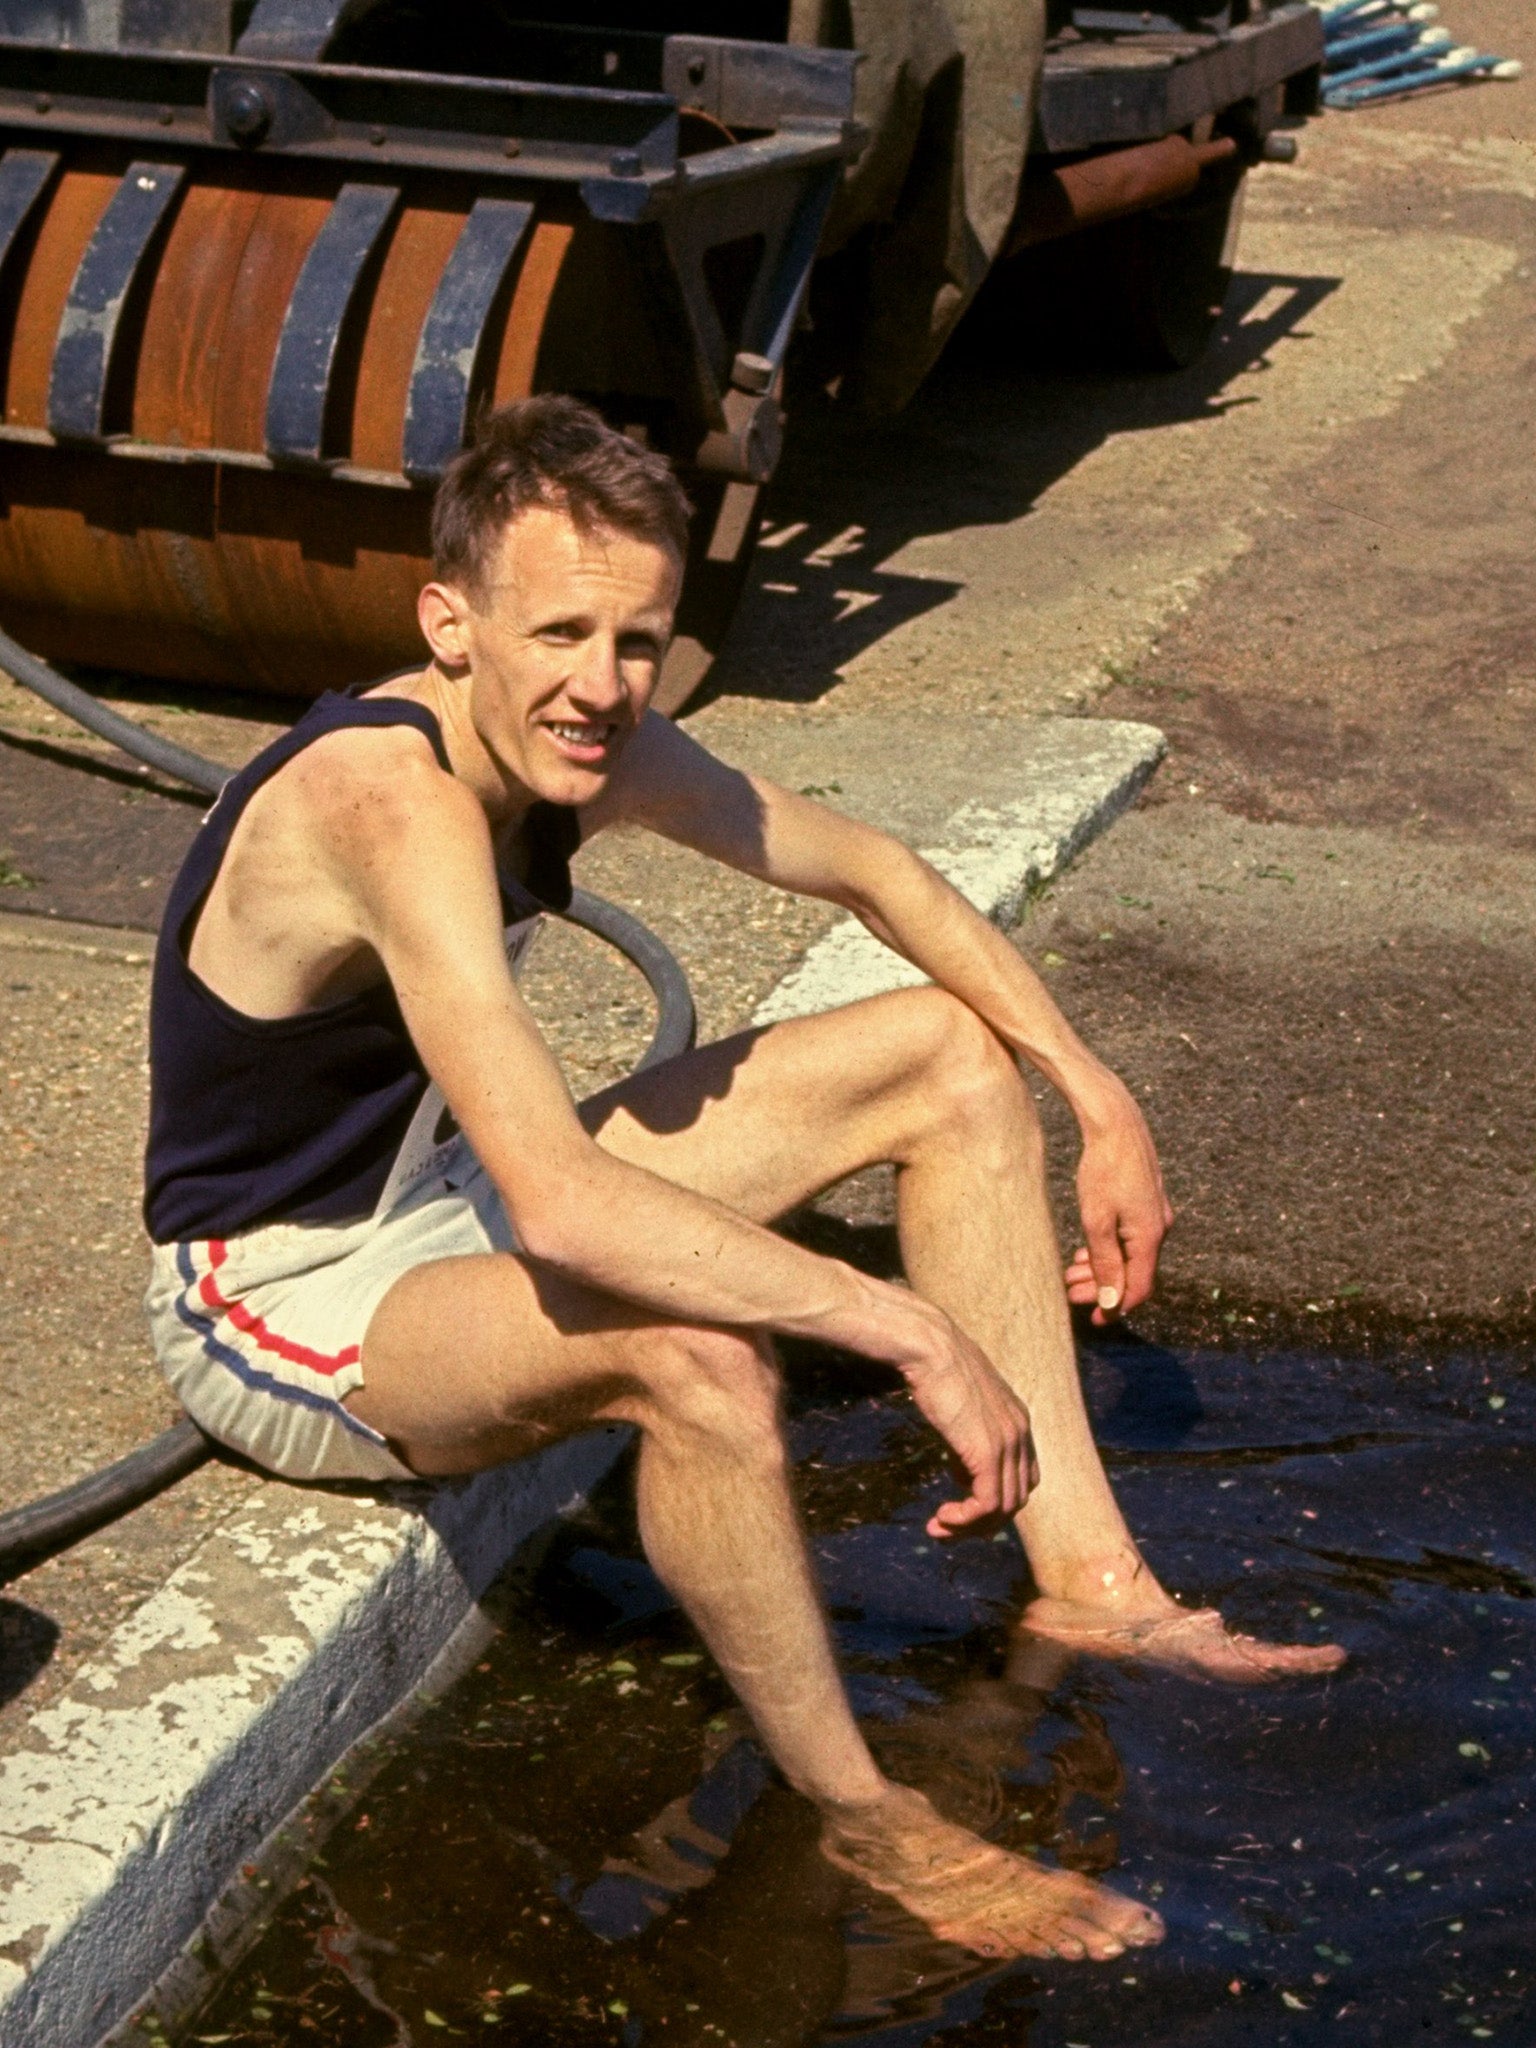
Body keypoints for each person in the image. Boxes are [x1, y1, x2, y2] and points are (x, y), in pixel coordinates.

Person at [143, 396, 1341, 1966]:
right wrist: (907, 1328)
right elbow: (567, 1207)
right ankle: (867, 1815)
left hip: (434, 1196)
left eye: (638, 640)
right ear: (450, 623)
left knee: (944, 1054)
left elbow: (877, 870)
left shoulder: (583, 742)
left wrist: (1094, 1092)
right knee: (696, 1359)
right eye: (560, 631)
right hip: (281, 1290)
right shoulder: (391, 798)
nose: (601, 684)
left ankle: (1094, 1582)